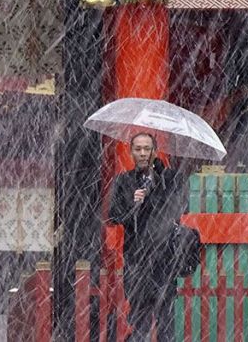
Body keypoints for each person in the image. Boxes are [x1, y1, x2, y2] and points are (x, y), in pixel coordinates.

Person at [106, 133, 185, 341]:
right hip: (136, 260)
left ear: (154, 151)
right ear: (131, 152)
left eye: (147, 148)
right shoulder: (124, 181)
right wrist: (133, 204)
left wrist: (155, 193)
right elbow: (113, 216)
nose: (142, 153)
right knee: (139, 320)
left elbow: (178, 210)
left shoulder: (169, 178)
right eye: (138, 149)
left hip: (164, 260)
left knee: (166, 321)